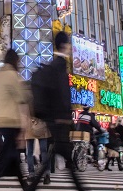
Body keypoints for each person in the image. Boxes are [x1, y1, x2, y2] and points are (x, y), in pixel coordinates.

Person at [27, 32, 87, 191]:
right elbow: (62, 94)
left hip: (55, 121)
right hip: (60, 122)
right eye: (68, 44)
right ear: (65, 45)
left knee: (55, 156)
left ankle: (33, 186)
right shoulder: (59, 66)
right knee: (65, 157)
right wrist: (65, 117)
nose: (69, 48)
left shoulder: (57, 65)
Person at [0, 49, 28, 191]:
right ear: (15, 61)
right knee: (5, 156)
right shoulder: (12, 76)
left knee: (12, 156)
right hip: (11, 120)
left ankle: (25, 185)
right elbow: (21, 98)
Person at [25, 112, 51, 182]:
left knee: (30, 152)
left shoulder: (28, 101)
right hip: (42, 125)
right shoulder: (44, 101)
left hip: (30, 124)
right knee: (44, 151)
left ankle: (31, 174)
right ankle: (47, 174)